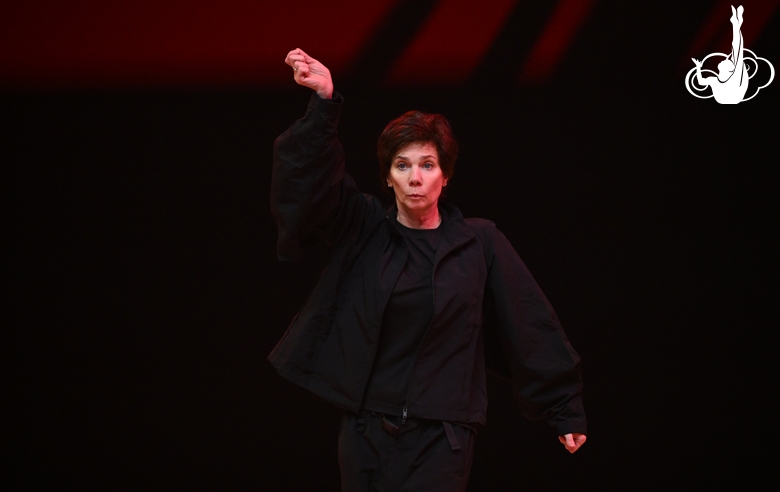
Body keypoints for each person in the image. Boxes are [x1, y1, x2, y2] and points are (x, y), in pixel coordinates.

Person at [269, 48, 587, 492]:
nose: (415, 177)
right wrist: (324, 103)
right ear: (388, 177)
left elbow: (529, 320)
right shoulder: (364, 228)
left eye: (427, 165)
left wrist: (563, 406)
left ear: (445, 176)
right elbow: (307, 182)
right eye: (402, 166)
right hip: (366, 432)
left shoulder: (479, 242)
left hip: (443, 437)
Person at [692, 5, 747, 104]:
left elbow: (737, 48)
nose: (725, 59)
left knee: (737, 50)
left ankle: (736, 23)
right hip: (727, 99)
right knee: (737, 51)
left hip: (730, 98)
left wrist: (698, 67)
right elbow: (701, 82)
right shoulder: (716, 80)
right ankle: (736, 23)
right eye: (728, 60)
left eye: (727, 61)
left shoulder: (730, 79)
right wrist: (698, 67)